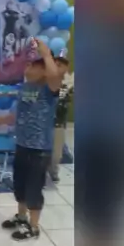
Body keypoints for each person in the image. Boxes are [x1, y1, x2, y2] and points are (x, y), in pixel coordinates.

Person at [0, 39, 61, 240]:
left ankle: (33, 227)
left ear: (43, 70)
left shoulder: (49, 89)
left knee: (34, 188)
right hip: (22, 144)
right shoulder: (25, 88)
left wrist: (46, 55)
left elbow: (54, 76)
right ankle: (22, 216)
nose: (27, 67)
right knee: (20, 184)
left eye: (32, 65)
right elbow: (17, 115)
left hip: (39, 149)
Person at [49, 50, 71, 182]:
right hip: (44, 121)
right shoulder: (46, 80)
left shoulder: (67, 83)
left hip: (58, 121)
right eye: (56, 65)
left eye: (61, 65)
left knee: (57, 151)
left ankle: (54, 170)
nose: (58, 68)